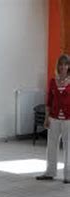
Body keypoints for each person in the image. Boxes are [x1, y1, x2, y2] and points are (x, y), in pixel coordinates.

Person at [36, 54, 70, 183]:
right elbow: (49, 101)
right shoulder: (52, 81)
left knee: (68, 146)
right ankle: (50, 172)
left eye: (65, 64)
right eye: (60, 64)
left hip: (68, 119)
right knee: (51, 145)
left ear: (69, 66)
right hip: (54, 118)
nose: (63, 67)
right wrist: (47, 117)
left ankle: (68, 175)